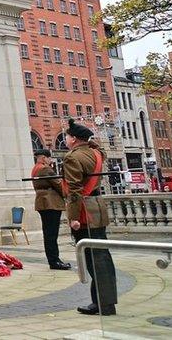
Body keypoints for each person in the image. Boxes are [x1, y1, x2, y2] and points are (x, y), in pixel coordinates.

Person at [63, 118, 118, 316]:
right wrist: (88, 141)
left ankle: (102, 303)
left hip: (85, 211)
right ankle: (106, 301)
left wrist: (74, 217)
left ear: (75, 139)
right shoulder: (96, 153)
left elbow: (75, 191)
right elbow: (97, 147)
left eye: (68, 136)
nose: (66, 139)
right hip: (97, 207)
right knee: (102, 256)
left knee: (94, 259)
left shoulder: (72, 158)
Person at [31, 149, 71, 270]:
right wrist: (69, 194)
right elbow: (59, 184)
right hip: (51, 203)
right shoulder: (45, 169)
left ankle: (53, 260)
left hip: (43, 203)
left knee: (48, 233)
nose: (51, 160)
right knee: (52, 234)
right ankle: (54, 260)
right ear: (44, 158)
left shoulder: (35, 169)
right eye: (49, 158)